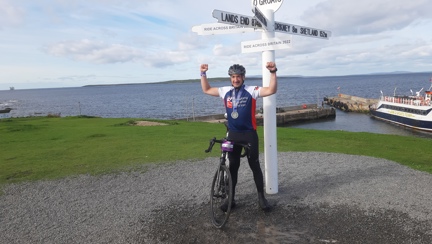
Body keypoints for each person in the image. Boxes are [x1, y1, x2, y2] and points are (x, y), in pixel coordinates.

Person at [200, 62, 278, 211]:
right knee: (233, 167)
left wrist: (273, 72)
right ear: (230, 78)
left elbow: (271, 89)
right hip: (233, 136)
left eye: (238, 76)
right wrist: (203, 74)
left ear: (243, 77)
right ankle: (231, 199)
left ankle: (261, 198)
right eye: (233, 77)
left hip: (249, 134)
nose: (236, 79)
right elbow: (207, 89)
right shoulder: (225, 91)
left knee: (254, 165)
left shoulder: (251, 90)